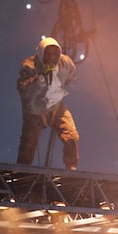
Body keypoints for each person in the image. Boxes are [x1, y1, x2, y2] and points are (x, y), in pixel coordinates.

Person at [16, 36, 80, 170]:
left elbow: (71, 73)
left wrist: (60, 86)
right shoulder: (29, 65)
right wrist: (39, 80)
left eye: (55, 54)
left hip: (56, 106)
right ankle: (22, 171)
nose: (51, 58)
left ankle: (71, 166)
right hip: (35, 110)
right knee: (28, 146)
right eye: (48, 54)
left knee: (71, 136)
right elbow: (23, 89)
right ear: (41, 53)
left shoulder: (65, 63)